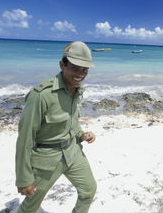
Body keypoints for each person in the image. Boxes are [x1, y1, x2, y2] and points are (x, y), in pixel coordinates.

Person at [15, 41, 97, 213]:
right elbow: (25, 138)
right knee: (30, 206)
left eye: (85, 70)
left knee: (89, 191)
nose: (81, 74)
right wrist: (24, 178)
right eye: (75, 67)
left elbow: (71, 119)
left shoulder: (78, 90)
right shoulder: (42, 95)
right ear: (62, 64)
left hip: (73, 152)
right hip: (47, 159)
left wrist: (81, 134)